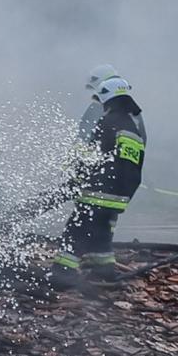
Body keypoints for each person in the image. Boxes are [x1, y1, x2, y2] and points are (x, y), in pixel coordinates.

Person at [51, 68, 146, 290]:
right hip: (118, 197)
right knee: (101, 230)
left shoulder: (107, 122)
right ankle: (103, 268)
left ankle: (62, 272)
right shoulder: (132, 126)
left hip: (97, 192)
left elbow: (88, 155)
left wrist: (75, 178)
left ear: (105, 95)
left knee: (76, 229)